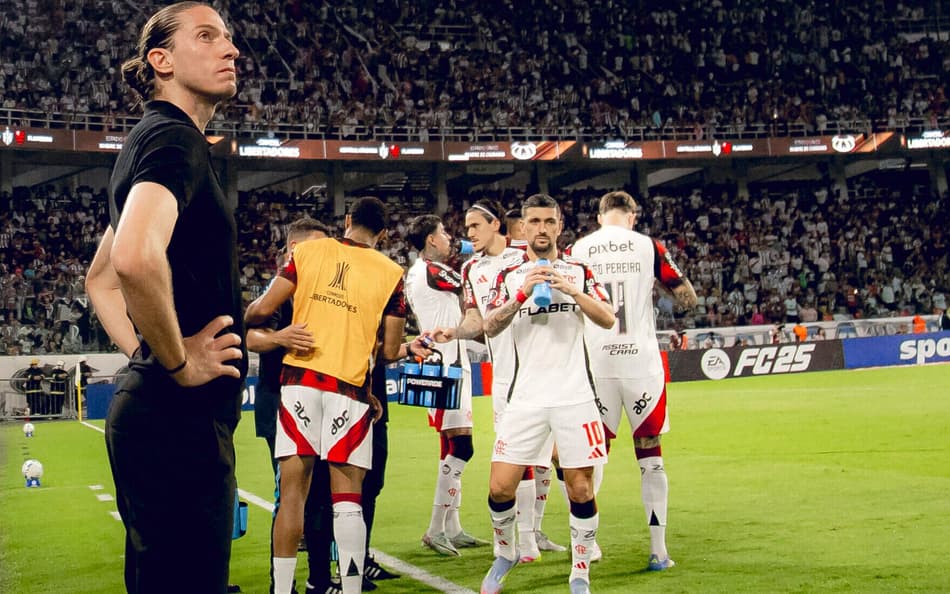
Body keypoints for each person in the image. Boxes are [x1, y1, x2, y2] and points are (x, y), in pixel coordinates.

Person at [84, 4, 247, 593]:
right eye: (207, 36)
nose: (230, 48)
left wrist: (147, 356)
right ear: (162, 60)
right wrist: (176, 361)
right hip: (179, 421)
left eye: (228, 37)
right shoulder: (173, 139)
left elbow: (100, 279)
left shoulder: (159, 139)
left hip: (158, 413)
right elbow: (131, 258)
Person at [245, 197, 431, 594]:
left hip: (299, 383)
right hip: (349, 390)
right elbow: (390, 350)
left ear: (347, 220)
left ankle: (282, 589)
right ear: (384, 234)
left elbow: (257, 313)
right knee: (347, 501)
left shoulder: (307, 253)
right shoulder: (390, 273)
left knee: (292, 497)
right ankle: (349, 587)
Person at [443, 193, 615, 594]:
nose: (541, 229)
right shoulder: (509, 276)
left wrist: (571, 290)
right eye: (534, 221)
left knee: (581, 487)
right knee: (500, 487)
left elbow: (608, 318)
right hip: (525, 398)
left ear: (559, 226)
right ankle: (505, 554)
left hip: (575, 397)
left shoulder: (580, 271)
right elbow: (490, 325)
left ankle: (580, 571)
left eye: (549, 221)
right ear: (523, 226)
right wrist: (522, 295)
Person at [571, 190, 697, 572]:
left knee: (593, 453)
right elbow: (687, 298)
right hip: (641, 363)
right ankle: (658, 551)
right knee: (650, 453)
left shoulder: (579, 249)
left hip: (597, 363)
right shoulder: (649, 246)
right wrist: (655, 289)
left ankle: (588, 545)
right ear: (632, 216)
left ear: (600, 216)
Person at [443, 198, 565, 563]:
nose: (469, 234)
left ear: (495, 224)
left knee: (554, 456)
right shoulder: (470, 269)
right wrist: (454, 331)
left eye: (475, 226)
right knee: (519, 457)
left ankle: (537, 531)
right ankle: (525, 540)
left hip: (546, 368)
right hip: (506, 377)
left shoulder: (524, 255)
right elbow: (475, 320)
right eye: (467, 228)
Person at [246, 216, 341, 594]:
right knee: (290, 495)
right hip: (280, 399)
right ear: (294, 250)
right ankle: (281, 585)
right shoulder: (278, 290)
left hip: (323, 400)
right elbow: (249, 335)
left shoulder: (325, 292)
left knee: (321, 496)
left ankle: (320, 580)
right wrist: (281, 338)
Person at [404, 213, 484, 556]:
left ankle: (452, 527)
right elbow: (472, 285)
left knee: (449, 446)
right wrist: (483, 249)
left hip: (441, 362)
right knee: (462, 447)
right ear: (431, 240)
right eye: (444, 233)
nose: (450, 238)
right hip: (446, 365)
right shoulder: (432, 271)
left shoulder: (418, 272)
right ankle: (435, 529)